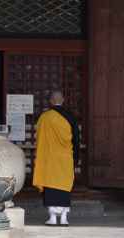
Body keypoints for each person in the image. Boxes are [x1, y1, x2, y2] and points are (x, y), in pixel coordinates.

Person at [33, 91, 79, 226]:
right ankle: (64, 218)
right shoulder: (71, 117)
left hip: (50, 158)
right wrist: (75, 158)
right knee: (64, 187)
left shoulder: (45, 117)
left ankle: (52, 218)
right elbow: (76, 139)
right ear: (63, 100)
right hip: (65, 158)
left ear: (51, 101)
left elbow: (39, 138)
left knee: (51, 187)